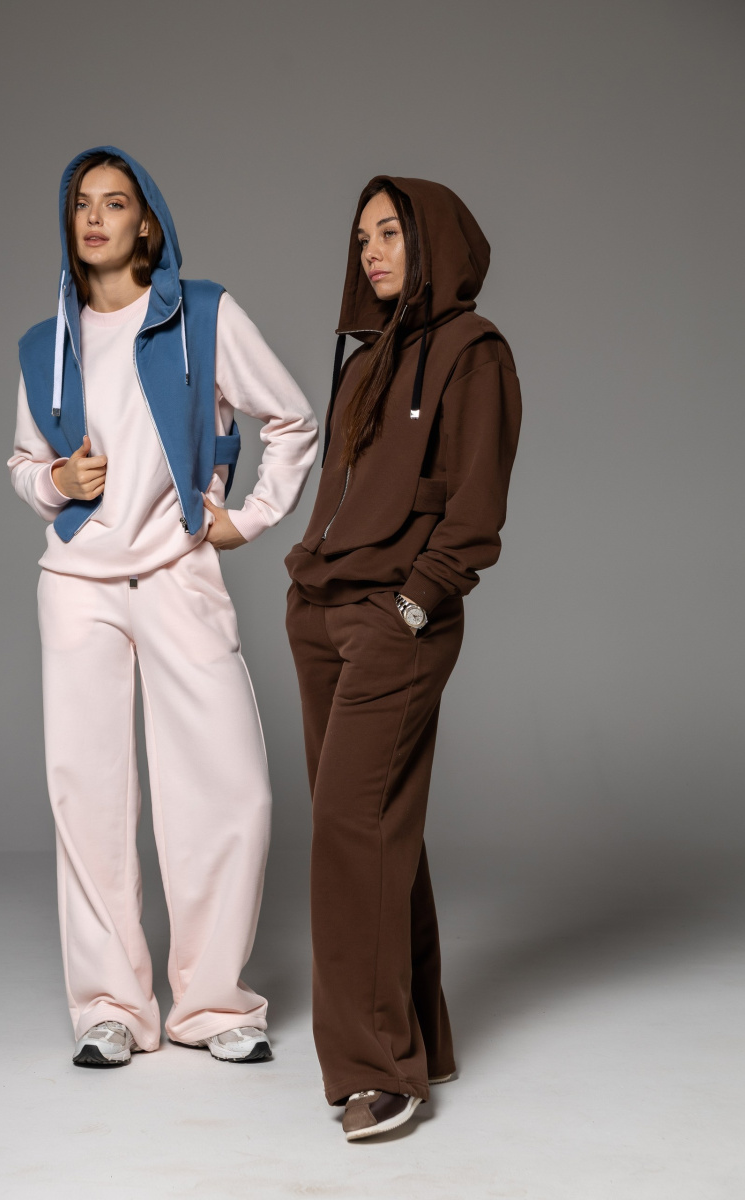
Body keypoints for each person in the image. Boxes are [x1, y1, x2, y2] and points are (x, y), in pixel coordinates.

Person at [8, 146, 317, 1068]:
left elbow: (292, 418)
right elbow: (23, 463)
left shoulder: (203, 315)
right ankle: (111, 1006)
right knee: (88, 795)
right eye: (81, 204)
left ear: (147, 223)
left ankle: (214, 1004)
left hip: (178, 570)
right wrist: (55, 482)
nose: (94, 218)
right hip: (78, 586)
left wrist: (249, 517)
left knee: (230, 788)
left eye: (115, 203)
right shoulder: (44, 345)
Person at [285, 177, 521, 1138]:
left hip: (396, 620)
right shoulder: (363, 361)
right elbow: (341, 490)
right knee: (374, 829)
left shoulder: (474, 352)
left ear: (432, 241)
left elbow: (475, 507)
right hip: (320, 613)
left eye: (390, 233)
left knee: (349, 828)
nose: (372, 252)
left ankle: (380, 1073)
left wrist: (415, 604)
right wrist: (305, 582)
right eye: (361, 239)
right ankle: (421, 1034)